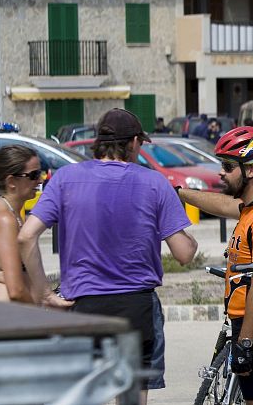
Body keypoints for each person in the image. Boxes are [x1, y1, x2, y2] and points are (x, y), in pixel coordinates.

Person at [18, 108, 198, 404]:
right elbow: (183, 254)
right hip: (137, 306)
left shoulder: (64, 179)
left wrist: (44, 293)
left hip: (83, 306)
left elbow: (26, 236)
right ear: (134, 143)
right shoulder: (154, 183)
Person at [176, 126, 253, 404]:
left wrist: (245, 344)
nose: (221, 172)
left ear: (251, 170)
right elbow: (223, 204)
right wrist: (180, 193)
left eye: (228, 166)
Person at [0, 146, 68, 306]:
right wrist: (38, 310)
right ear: (11, 182)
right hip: (9, 316)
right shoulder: (5, 220)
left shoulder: (7, 213)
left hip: (7, 312)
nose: (40, 180)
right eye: (34, 175)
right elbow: (15, 291)